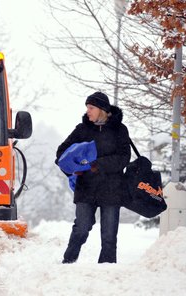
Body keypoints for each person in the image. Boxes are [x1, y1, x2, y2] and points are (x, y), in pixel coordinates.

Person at [55, 91, 131, 264]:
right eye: (87, 108)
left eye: (91, 108)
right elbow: (61, 153)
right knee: (81, 228)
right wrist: (73, 169)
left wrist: (97, 164)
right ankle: (68, 262)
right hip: (86, 188)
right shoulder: (82, 129)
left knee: (109, 235)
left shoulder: (119, 129)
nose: (87, 111)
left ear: (102, 109)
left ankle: (107, 269)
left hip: (111, 189)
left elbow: (123, 158)